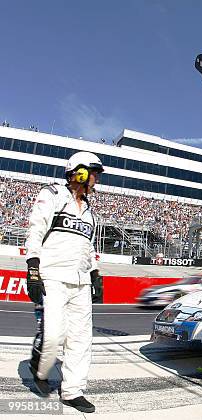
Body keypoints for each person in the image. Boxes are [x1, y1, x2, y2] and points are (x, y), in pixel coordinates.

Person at [25, 151, 104, 413]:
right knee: (54, 334)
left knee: (81, 340)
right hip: (53, 276)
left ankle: (72, 391)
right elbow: (36, 229)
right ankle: (40, 368)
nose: (96, 180)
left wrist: (95, 275)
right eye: (93, 173)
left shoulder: (90, 211)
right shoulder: (53, 194)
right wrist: (33, 268)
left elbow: (87, 247)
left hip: (80, 282)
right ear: (78, 172)